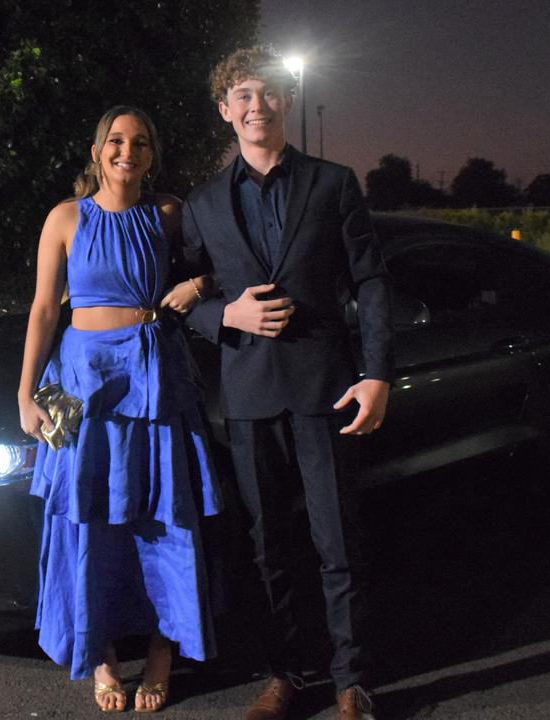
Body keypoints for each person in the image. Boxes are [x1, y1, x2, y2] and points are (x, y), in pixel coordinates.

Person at [179, 47, 394, 720]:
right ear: (225, 110)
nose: (257, 105)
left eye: (269, 93)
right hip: (247, 397)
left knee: (338, 544)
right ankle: (286, 675)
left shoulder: (334, 183)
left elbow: (372, 280)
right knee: (268, 551)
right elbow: (178, 297)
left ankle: (351, 681)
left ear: (287, 102)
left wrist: (378, 373)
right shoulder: (204, 203)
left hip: (325, 388)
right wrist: (225, 315)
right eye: (243, 95)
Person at [17, 105, 222, 713]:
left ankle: (162, 652)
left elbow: (227, 265)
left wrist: (199, 286)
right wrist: (26, 392)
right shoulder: (64, 218)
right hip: (80, 382)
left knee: (164, 513)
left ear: (152, 154)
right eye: (115, 140)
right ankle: (101, 654)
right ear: (97, 149)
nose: (126, 150)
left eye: (139, 142)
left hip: (156, 374)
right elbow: (45, 310)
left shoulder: (168, 214)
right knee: (87, 517)